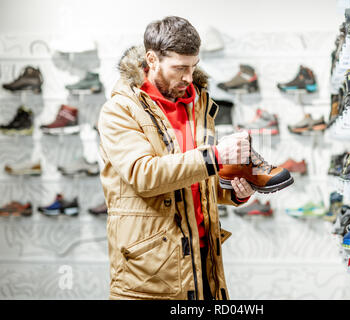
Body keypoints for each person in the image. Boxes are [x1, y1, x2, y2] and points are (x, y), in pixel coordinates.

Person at [98, 16, 256, 300]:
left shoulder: (198, 105)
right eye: (180, 68)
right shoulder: (119, 110)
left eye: (193, 66)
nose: (188, 77)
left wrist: (233, 189)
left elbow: (194, 181)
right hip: (150, 276)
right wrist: (216, 156)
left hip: (204, 262)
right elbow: (145, 176)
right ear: (152, 59)